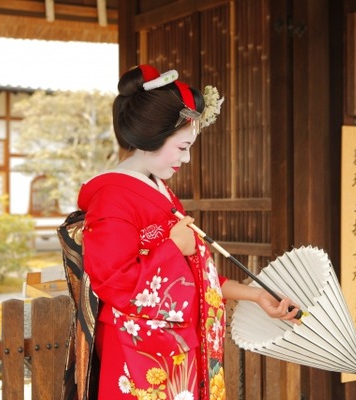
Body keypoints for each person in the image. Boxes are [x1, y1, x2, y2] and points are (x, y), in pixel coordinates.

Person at [76, 65, 299, 400]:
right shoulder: (111, 198)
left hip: (174, 348)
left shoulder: (158, 189)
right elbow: (112, 282)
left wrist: (255, 295)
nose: (188, 158)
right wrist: (171, 248)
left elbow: (191, 275)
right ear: (150, 137)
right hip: (137, 355)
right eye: (182, 147)